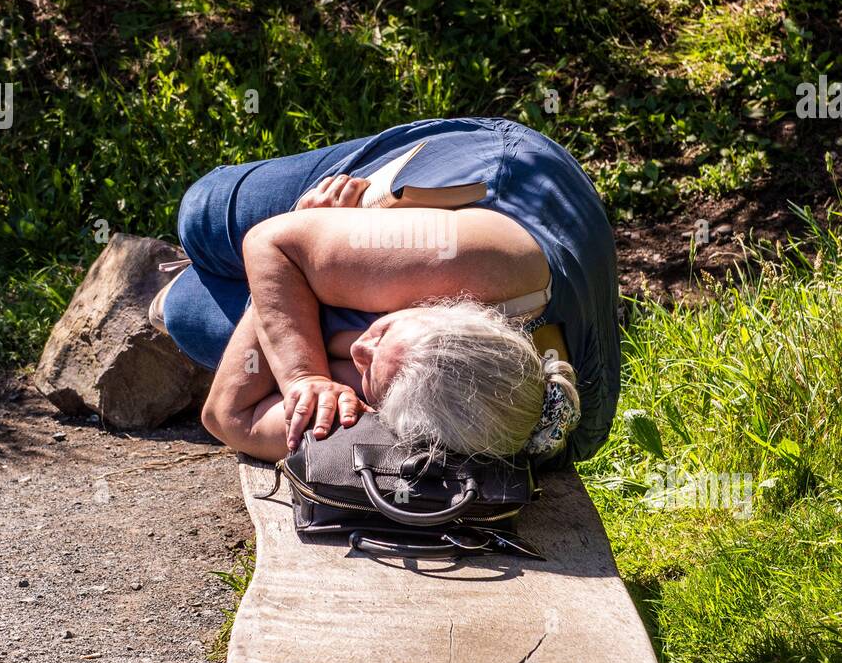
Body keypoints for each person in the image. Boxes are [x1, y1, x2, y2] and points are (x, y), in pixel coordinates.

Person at [152, 117, 620, 467]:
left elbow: (227, 416)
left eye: (370, 373)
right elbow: (271, 241)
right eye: (383, 332)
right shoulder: (476, 259)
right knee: (202, 218)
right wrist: (303, 375)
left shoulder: (464, 416)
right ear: (447, 307)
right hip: (468, 177)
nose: (359, 346)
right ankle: (318, 272)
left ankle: (314, 280)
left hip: (389, 300)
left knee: (190, 314)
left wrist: (314, 361)